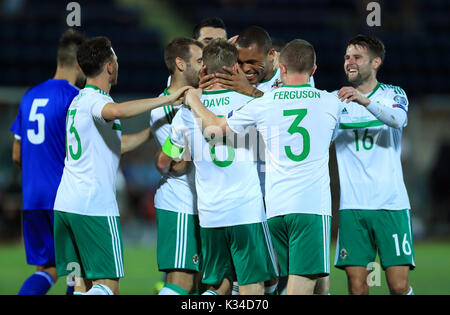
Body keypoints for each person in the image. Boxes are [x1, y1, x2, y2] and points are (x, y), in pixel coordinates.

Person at [183, 39, 340, 295]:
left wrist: (193, 100)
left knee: (314, 282)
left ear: (282, 68)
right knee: (293, 286)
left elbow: (214, 129)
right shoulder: (330, 102)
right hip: (310, 207)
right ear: (313, 71)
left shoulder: (263, 104)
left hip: (274, 210)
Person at [52, 36, 191, 295]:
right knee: (108, 287)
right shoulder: (96, 100)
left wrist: (151, 131)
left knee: (81, 285)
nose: (117, 63)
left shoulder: (78, 102)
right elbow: (116, 112)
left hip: (66, 206)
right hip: (93, 207)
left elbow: (115, 145)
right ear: (109, 67)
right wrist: (166, 100)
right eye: (115, 58)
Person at [162, 39, 278, 295]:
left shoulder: (187, 110)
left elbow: (169, 157)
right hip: (245, 209)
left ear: (204, 70)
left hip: (210, 212)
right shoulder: (249, 102)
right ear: (234, 67)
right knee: (254, 282)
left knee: (216, 284)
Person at [333, 34, 415, 295]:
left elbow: (397, 119)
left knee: (399, 286)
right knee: (357, 288)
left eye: (357, 57)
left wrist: (364, 101)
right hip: (352, 207)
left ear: (376, 62)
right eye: (347, 57)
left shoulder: (393, 94)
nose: (349, 62)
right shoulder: (336, 102)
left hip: (390, 204)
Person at [10, 29, 86, 295]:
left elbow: (17, 154)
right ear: (79, 63)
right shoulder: (74, 97)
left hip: (32, 198)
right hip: (62, 197)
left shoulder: (29, 96)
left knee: (47, 269)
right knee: (76, 270)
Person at [150, 37, 204, 295]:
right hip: (180, 201)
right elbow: (177, 164)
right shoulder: (165, 108)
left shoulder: (196, 99)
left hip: (199, 204)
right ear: (181, 64)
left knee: (196, 285)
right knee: (180, 282)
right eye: (199, 61)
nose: (205, 67)